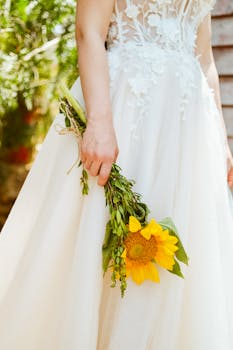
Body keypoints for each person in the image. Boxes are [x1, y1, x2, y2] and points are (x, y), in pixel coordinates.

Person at [0, 0, 233, 349]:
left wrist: (220, 135)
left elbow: (204, 56)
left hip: (187, 131)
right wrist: (99, 121)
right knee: (104, 248)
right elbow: (89, 31)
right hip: (127, 111)